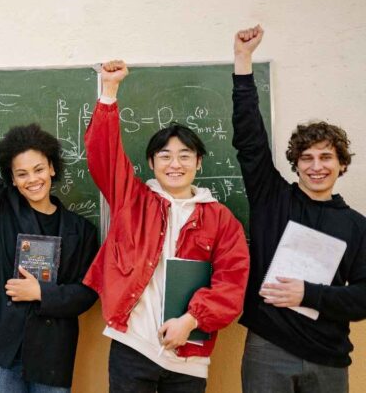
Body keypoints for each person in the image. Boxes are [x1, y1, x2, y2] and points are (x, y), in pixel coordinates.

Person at [82, 61, 249, 392]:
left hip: (190, 355)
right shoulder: (133, 200)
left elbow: (232, 284)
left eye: (185, 156)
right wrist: (109, 90)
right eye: (165, 156)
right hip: (133, 346)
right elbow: (104, 155)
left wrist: (191, 320)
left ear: (198, 162)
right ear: (151, 163)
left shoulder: (221, 219)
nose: (175, 164)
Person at [0, 66, 99, 392]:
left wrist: (42, 293)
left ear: (52, 168)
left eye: (38, 169)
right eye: (22, 174)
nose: (32, 179)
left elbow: (87, 292)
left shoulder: (82, 231)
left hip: (52, 352)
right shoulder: (0, 210)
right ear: (13, 180)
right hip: (1, 345)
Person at [232, 26, 366, 393]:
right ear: (296, 164)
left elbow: (363, 297)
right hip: (268, 348)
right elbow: (250, 141)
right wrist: (243, 61)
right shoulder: (272, 199)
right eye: (306, 158)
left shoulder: (357, 226)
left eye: (326, 157)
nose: (316, 166)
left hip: (329, 356)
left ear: (342, 163)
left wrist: (308, 294)